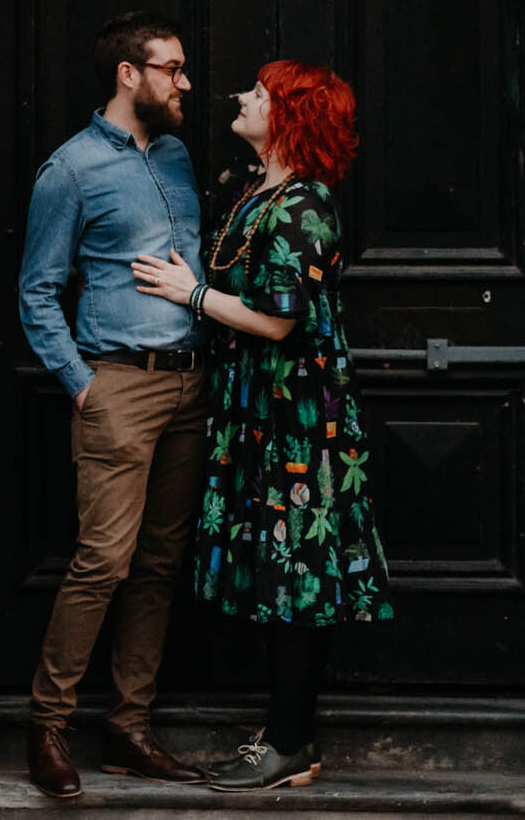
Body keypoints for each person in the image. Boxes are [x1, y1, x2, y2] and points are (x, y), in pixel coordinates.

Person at [131, 60, 395, 792]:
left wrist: (191, 292)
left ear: (289, 116)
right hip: (260, 412)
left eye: (260, 92)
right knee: (284, 574)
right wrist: (199, 279)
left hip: (297, 420)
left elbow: (278, 321)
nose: (242, 97)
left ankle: (286, 742)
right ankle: (290, 736)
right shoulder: (260, 192)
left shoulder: (304, 205)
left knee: (297, 574)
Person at [15, 11, 209, 799]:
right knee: (104, 561)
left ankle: (129, 728)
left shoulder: (178, 154)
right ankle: (47, 723)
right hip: (118, 385)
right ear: (129, 74)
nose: (184, 81)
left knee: (160, 567)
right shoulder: (70, 171)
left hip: (190, 384)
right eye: (171, 67)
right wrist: (82, 381)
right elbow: (36, 290)